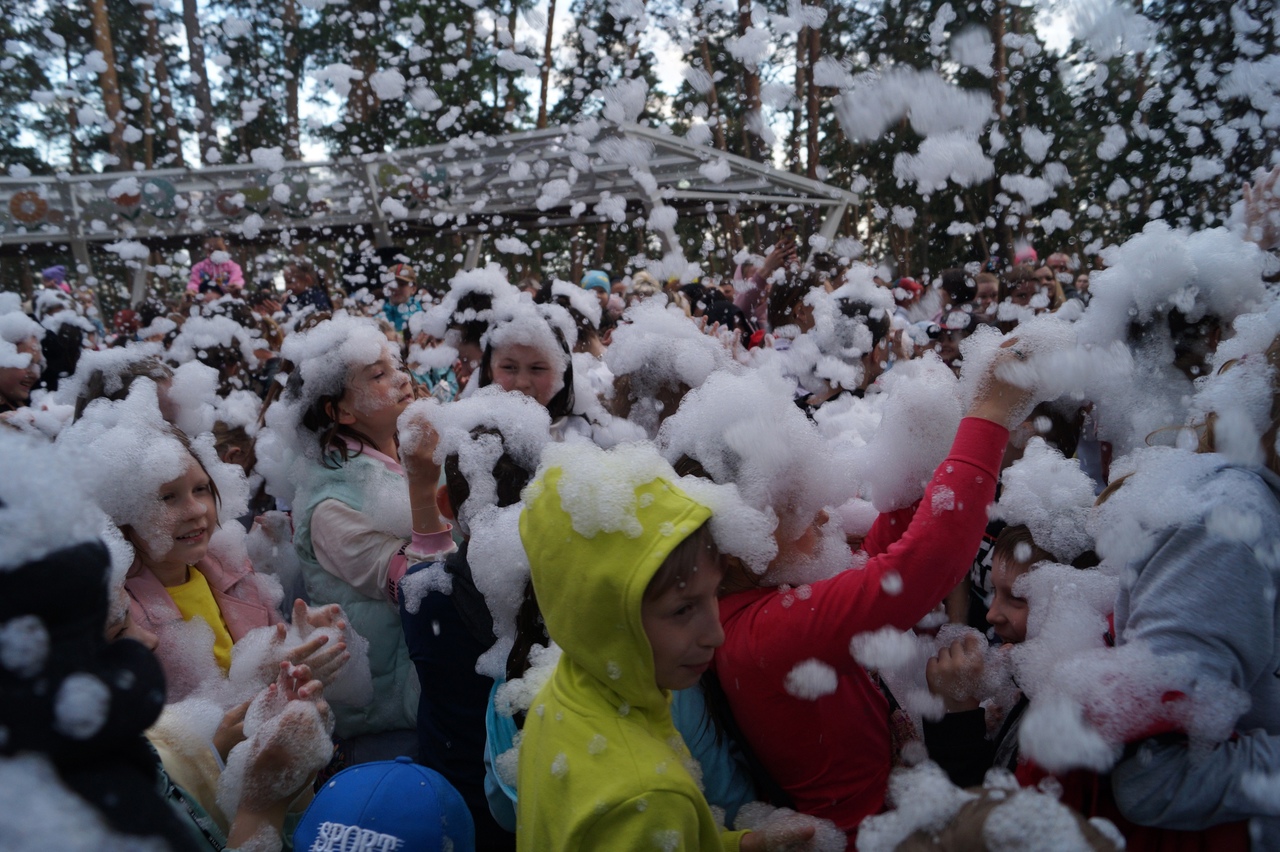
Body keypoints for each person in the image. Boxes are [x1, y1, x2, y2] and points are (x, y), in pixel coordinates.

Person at [707, 340, 1038, 843]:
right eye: (795, 503)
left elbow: (878, 561)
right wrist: (989, 413)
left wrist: (918, 453)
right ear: (738, 540)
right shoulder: (762, 634)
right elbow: (920, 565)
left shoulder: (762, 599)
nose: (821, 511)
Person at [515, 446, 828, 851]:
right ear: (604, 617)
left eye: (713, 593)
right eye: (682, 610)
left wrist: (745, 844)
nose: (715, 634)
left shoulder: (565, 691)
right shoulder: (646, 798)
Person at [284, 315, 453, 760]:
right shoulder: (330, 506)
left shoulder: (398, 450)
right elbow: (421, 589)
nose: (402, 378)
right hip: (390, 719)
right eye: (378, 374)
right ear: (339, 411)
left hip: (426, 689)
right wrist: (422, 484)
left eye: (394, 365)